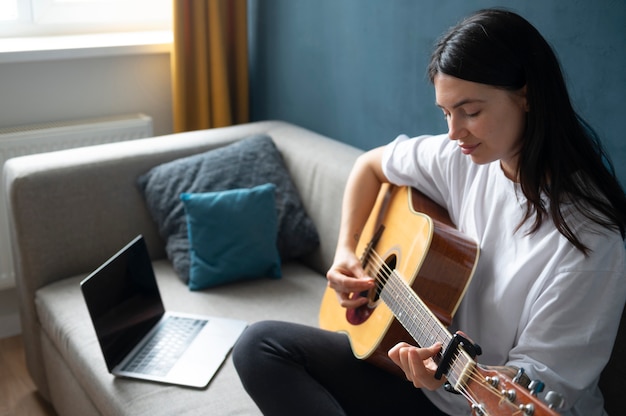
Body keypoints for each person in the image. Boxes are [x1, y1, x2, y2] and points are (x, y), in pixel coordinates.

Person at [232, 8, 626, 416]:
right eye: (446, 113)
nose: (454, 133)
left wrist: (449, 380)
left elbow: (532, 386)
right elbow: (368, 166)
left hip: (483, 404)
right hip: (423, 388)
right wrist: (347, 253)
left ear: (527, 95)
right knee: (258, 346)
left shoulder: (589, 240)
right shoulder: (464, 158)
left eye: (471, 112)